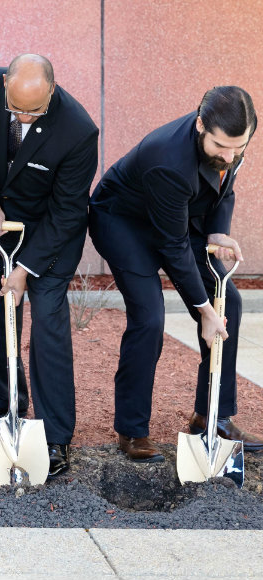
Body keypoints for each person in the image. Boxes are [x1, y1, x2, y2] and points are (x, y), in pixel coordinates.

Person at [89, 86, 263, 462]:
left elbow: (223, 187)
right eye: (221, 147)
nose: (231, 156)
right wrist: (203, 311)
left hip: (178, 216)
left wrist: (218, 230)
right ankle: (132, 431)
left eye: (239, 147)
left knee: (228, 301)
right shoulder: (167, 159)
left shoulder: (231, 143)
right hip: (123, 222)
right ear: (200, 124)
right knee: (149, 317)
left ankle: (212, 416)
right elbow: (173, 246)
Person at [0, 55, 99, 477]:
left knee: (48, 322)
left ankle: (55, 437)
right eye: (15, 107)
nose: (22, 117)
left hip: (51, 230)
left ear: (52, 90)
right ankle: (6, 398)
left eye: (33, 111)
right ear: (3, 84)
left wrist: (25, 269)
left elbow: (69, 211)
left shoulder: (78, 129)